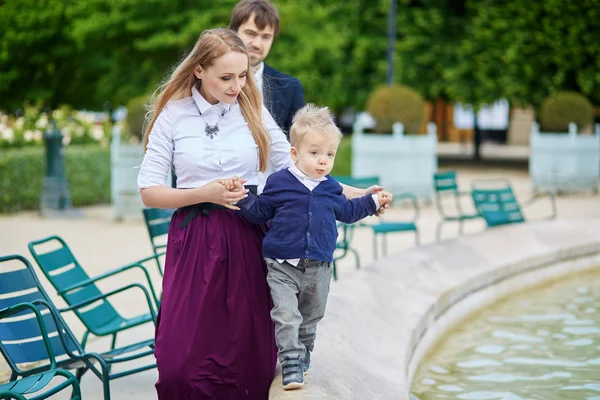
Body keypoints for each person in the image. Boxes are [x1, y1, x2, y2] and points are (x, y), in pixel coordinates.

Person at [138, 28, 388, 399]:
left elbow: (300, 172)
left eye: (242, 76)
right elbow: (149, 192)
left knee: (247, 358)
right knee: (180, 362)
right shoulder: (173, 116)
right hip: (195, 242)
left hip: (250, 234)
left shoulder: (252, 112)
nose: (237, 85)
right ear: (199, 71)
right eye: (226, 77)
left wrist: (361, 194)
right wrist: (203, 193)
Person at [227, 104, 392, 389]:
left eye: (329, 154)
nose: (322, 161)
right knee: (286, 314)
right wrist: (242, 198)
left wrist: (373, 202)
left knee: (311, 316)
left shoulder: (330, 187)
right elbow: (260, 212)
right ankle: (291, 361)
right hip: (281, 265)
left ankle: (304, 354)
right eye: (314, 153)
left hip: (319, 265)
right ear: (295, 153)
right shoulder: (279, 182)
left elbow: (349, 212)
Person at [229, 0, 305, 137]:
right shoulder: (210, 80)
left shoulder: (290, 88)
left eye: (266, 37)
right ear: (233, 32)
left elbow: (298, 147)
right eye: (251, 33)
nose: (257, 44)